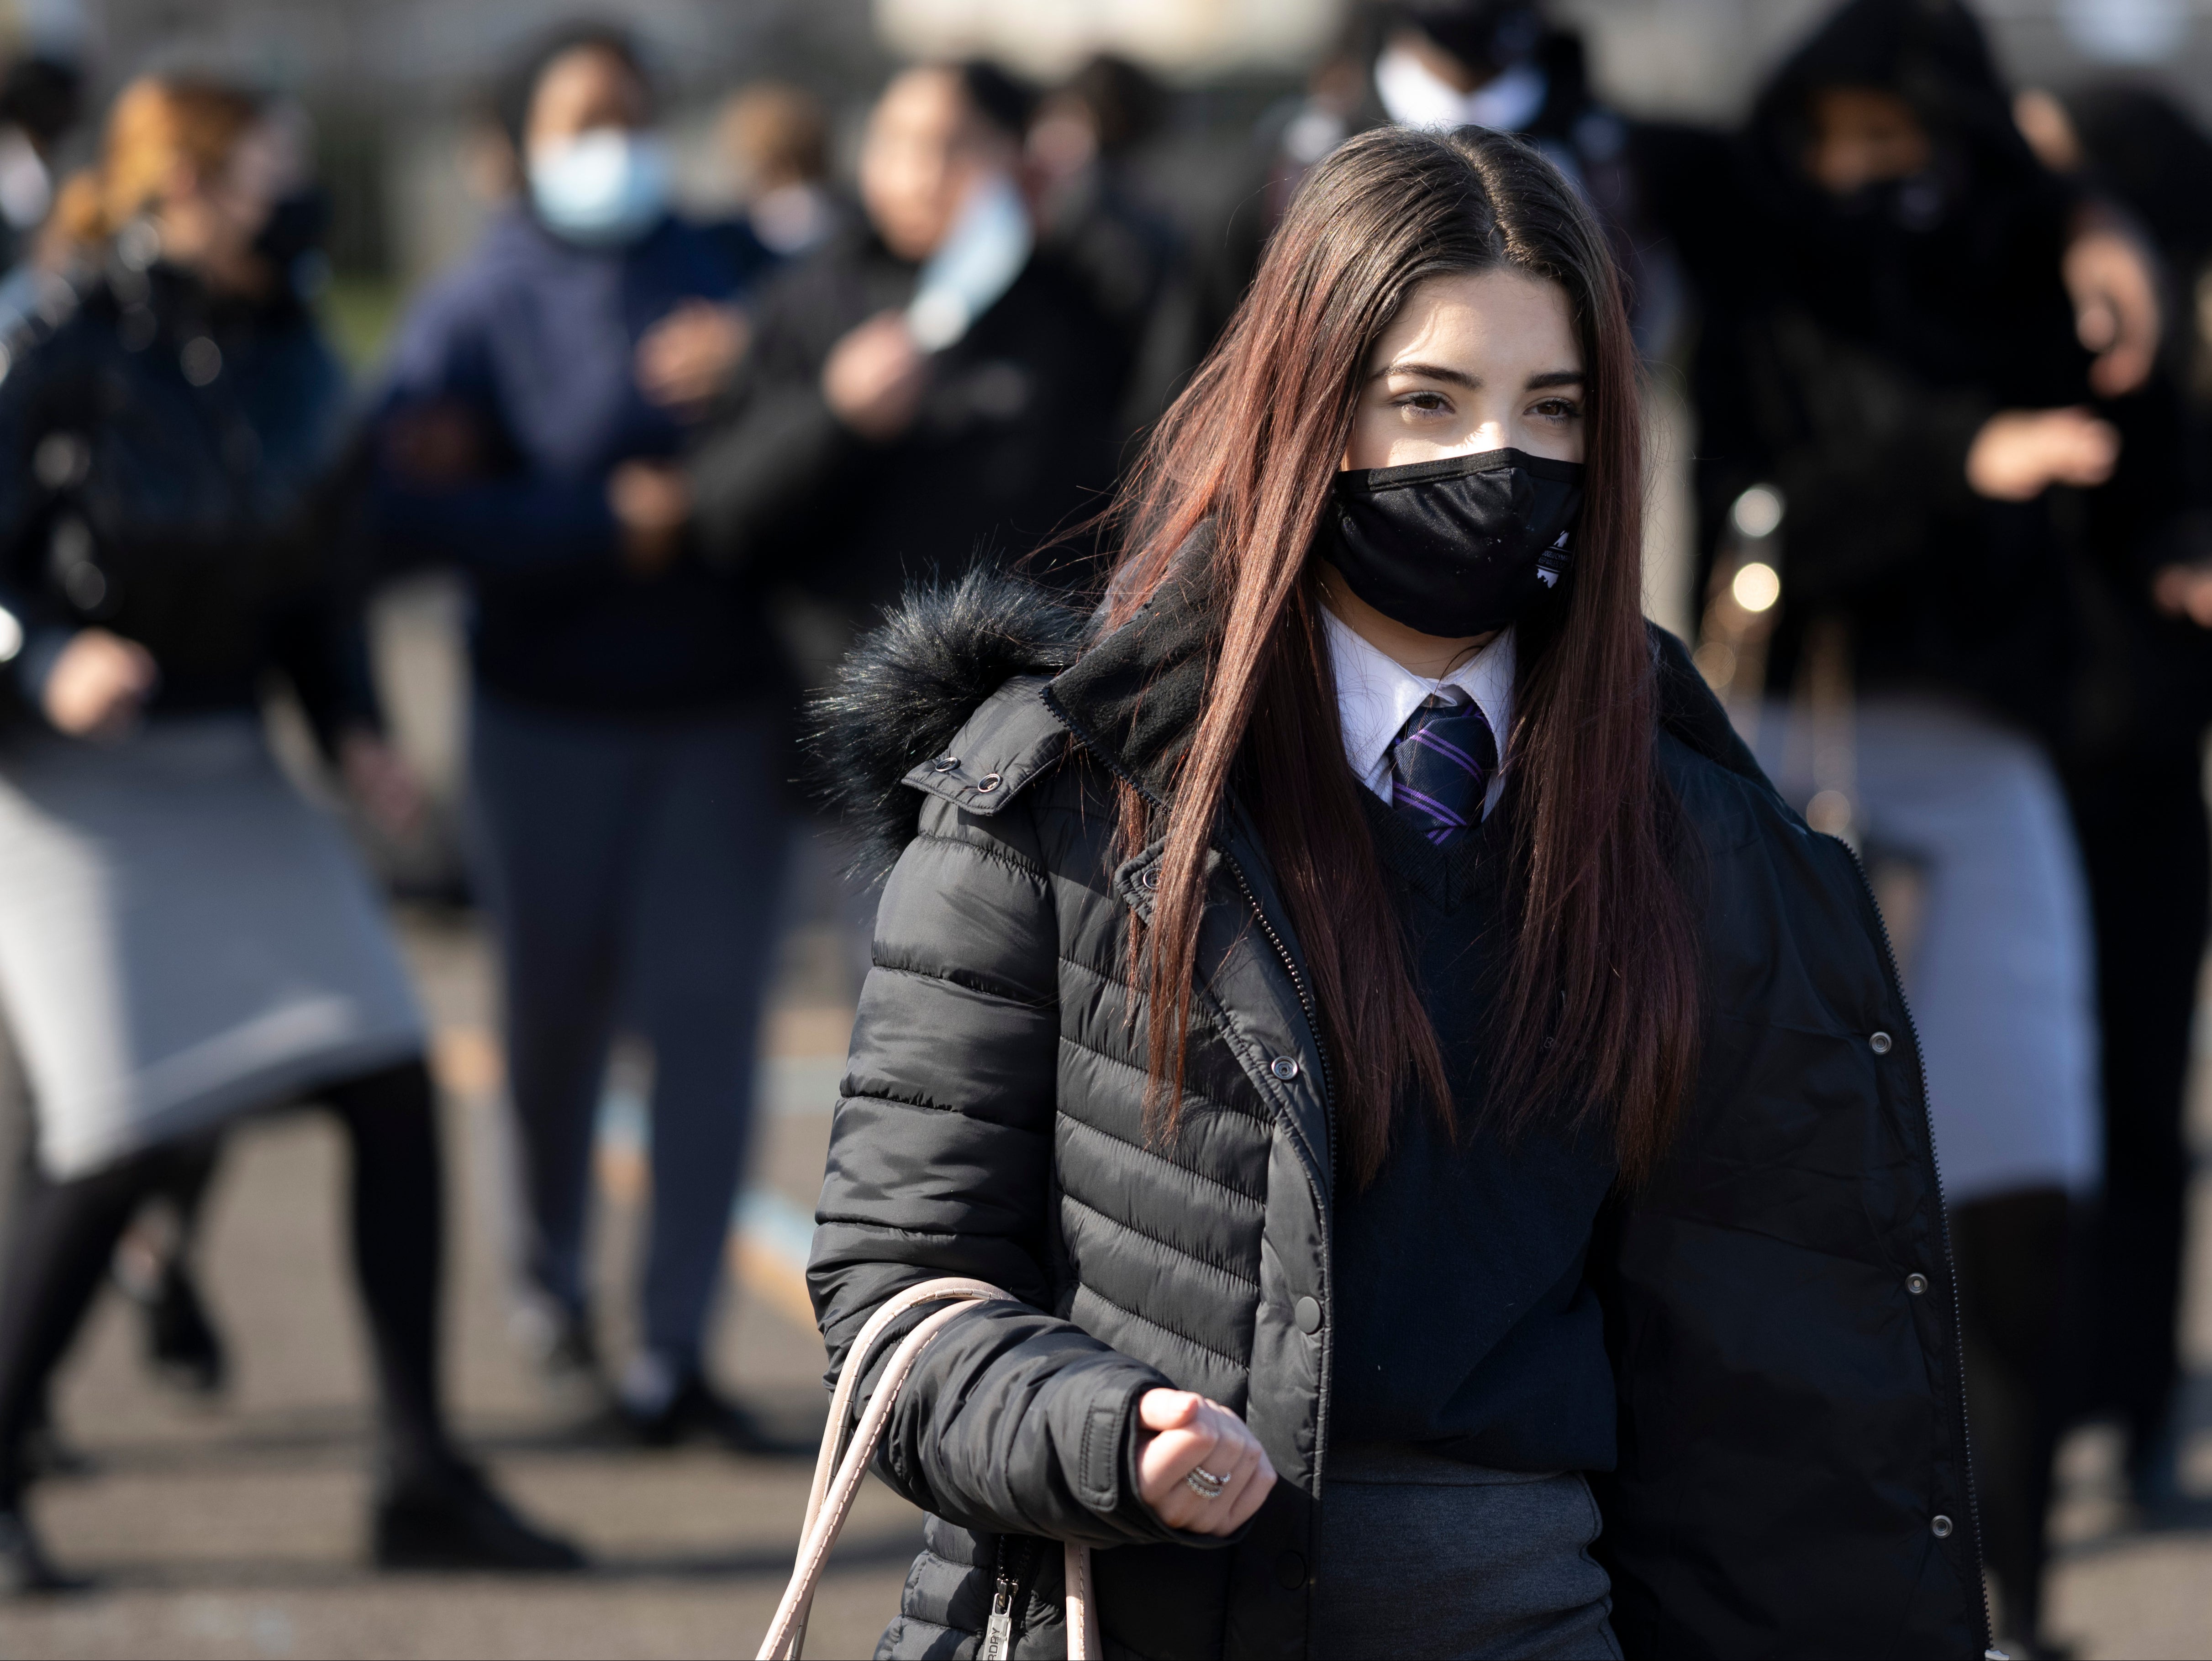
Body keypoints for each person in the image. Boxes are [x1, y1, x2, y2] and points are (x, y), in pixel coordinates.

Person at [804, 125, 1989, 1658]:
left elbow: (1776, 1372)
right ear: (1307, 406)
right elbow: (899, 1291)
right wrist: (1105, 1431)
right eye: (1425, 399)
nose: (1496, 458)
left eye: (1553, 408)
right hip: (1156, 1603)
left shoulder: (1703, 831)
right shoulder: (1059, 792)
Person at [0, 74, 579, 1592]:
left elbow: (315, 580)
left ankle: (419, 1475)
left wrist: (356, 729)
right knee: (119, 1127)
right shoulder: (54, 337)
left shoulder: (299, 350)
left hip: (227, 754)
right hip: (62, 776)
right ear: (181, 186)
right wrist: (43, 656)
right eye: (266, 172)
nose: (294, 197)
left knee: (388, 1076)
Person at [1680, 2, 2162, 1645]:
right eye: (1842, 141)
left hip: (1995, 761)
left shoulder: (2038, 262)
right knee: (1777, 1195)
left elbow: (2133, 459)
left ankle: (2009, 1594)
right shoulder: (1754, 270)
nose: (1870, 172)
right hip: (1792, 759)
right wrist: (1965, 457)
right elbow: (1764, 524)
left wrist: (2095, 223)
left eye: (1900, 139)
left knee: (2020, 1186)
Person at [371, 22, 793, 1448]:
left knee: (708, 1036)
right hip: (540, 725)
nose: (612, 143)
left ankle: (674, 1350)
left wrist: (756, 360)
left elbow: (835, 388)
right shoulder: (473, 302)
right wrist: (596, 523)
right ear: (521, 145)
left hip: (718, 722)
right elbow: (404, 506)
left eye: (631, 113)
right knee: (547, 1026)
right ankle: (547, 1292)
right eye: (580, 120)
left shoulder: (733, 268)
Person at [2016, 81, 2212, 1521]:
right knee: (2018, 1114)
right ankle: (2031, 1409)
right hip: (2011, 763)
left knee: (2134, 1103)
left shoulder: (2171, 346)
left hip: (2140, 775)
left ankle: (2129, 1407)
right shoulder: (2003, 307)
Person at [680, 60, 1126, 625]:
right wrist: (837, 416)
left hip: (1036, 659)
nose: (918, 175)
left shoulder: (1073, 298)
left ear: (1016, 157)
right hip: (851, 662)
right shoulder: (810, 296)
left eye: (952, 147)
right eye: (893, 142)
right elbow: (720, 507)